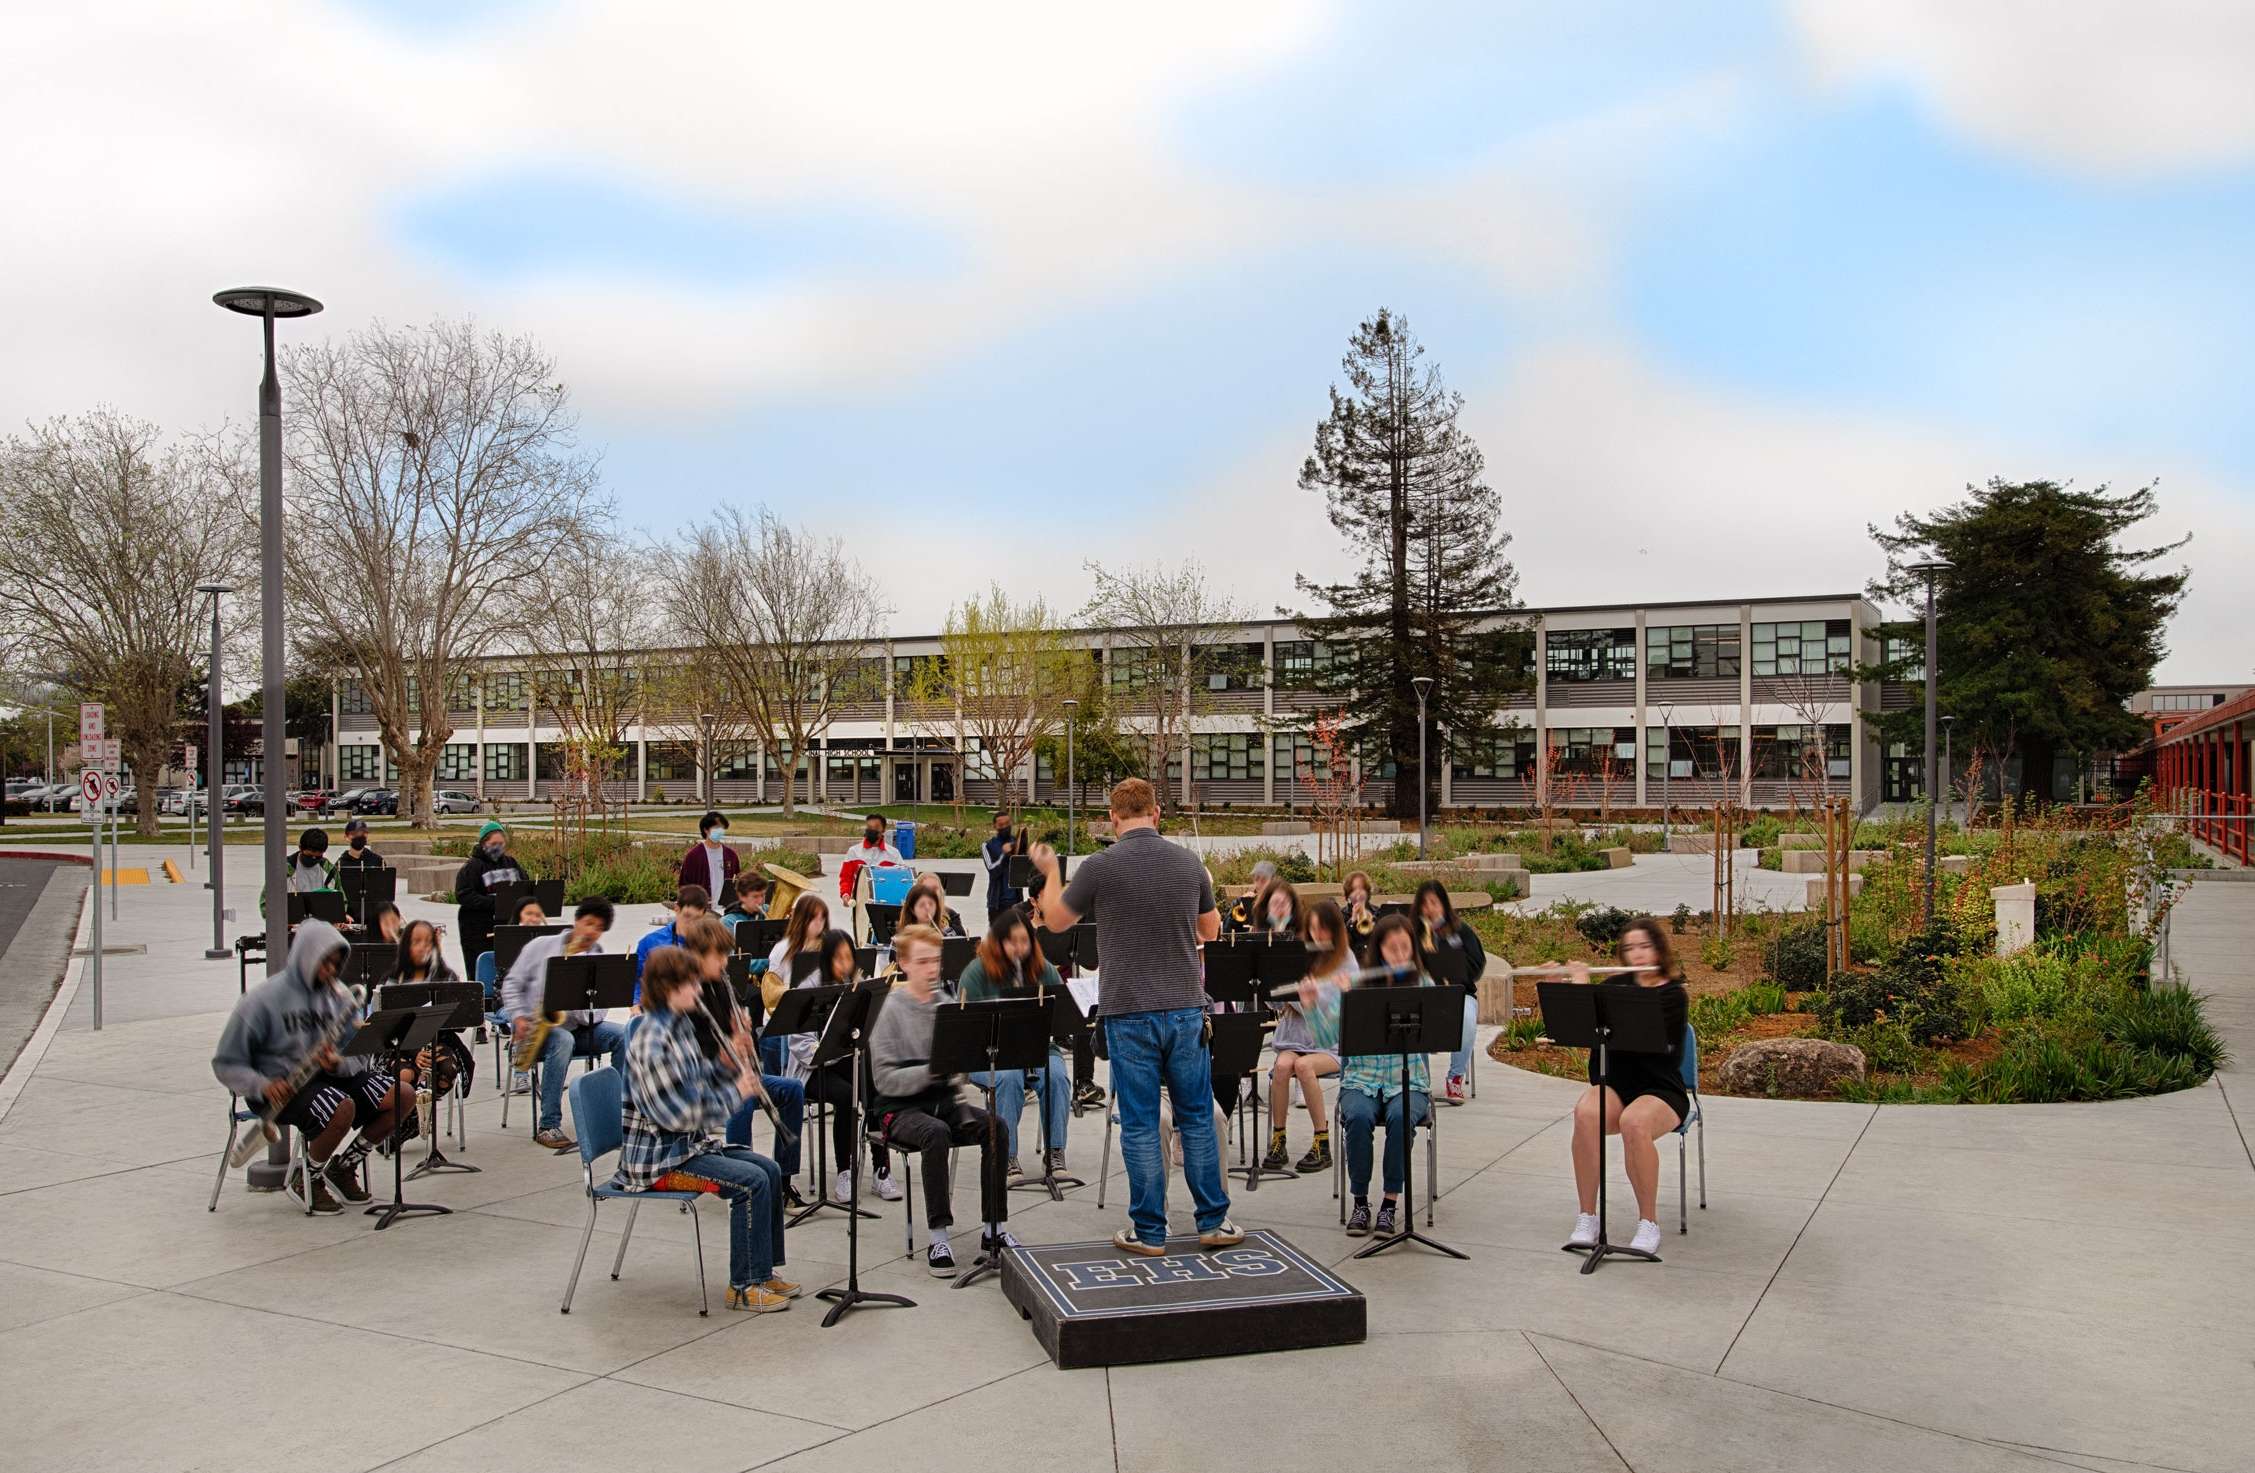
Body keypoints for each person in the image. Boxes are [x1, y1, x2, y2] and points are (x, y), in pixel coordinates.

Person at [1033, 777, 1241, 1258]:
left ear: (1113, 818)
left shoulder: (1100, 867)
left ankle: (1150, 1232)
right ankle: (1212, 1221)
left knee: (1143, 1123)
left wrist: (1048, 870)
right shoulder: (1189, 863)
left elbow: (1056, 922)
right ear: (1157, 813)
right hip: (1187, 1009)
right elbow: (1210, 930)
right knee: (1196, 1116)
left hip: (1129, 1012)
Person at [619, 946, 798, 1312]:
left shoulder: (680, 1024)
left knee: (770, 1169)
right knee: (751, 1182)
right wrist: (735, 1094)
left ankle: (762, 1271)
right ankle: (744, 1286)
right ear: (669, 987)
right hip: (660, 1161)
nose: (699, 991)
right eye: (691, 984)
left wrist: (729, 1065)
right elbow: (677, 1115)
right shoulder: (652, 1040)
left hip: (687, 1147)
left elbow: (699, 1080)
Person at [211, 919, 402, 1214]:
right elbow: (226, 1063)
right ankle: (307, 1180)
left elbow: (362, 1052)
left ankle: (342, 1167)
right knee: (342, 1107)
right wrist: (263, 1084)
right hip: (279, 1089)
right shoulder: (261, 1000)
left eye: (335, 965)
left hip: (330, 1076)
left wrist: (339, 1062)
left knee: (401, 1096)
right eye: (324, 964)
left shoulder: (338, 996)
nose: (329, 972)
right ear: (305, 957)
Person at [868, 925, 1009, 1277]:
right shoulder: (888, 1011)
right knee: (935, 1134)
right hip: (899, 1108)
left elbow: (960, 1065)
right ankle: (938, 1236)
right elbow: (883, 1079)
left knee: (996, 1126)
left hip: (943, 1103)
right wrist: (931, 1071)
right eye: (923, 961)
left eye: (936, 961)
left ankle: (994, 1228)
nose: (932, 969)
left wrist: (966, 1059)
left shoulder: (946, 1004)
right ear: (903, 964)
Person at [1566, 918, 1689, 1260]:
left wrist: (1591, 991)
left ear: (1659, 950)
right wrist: (1579, 988)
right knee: (1586, 1113)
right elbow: (1588, 1035)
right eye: (1630, 948)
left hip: (1661, 1087)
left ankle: (1648, 1222)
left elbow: (1660, 1050)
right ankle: (1587, 1217)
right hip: (1617, 1083)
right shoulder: (1614, 986)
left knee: (1634, 1122)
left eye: (1644, 947)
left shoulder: (1672, 994)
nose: (1637, 954)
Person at [672, 914, 809, 1210]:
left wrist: (746, 1041)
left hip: (731, 1071)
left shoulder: (721, 985)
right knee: (742, 1097)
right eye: (718, 955)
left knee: (792, 1089)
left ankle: (783, 1181)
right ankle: (741, 1180)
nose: (725, 962)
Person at [1309, 914, 1431, 1238]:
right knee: (1359, 1117)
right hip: (1360, 1080)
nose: (1400, 954)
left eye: (1405, 947)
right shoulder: (1358, 985)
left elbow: (1443, 1035)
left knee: (1400, 1115)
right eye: (1393, 948)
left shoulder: (1423, 985)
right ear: (1379, 951)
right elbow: (1325, 1038)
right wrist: (1315, 1005)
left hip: (1408, 1081)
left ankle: (1390, 1204)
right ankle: (1360, 1202)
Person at [503, 897, 625, 1152]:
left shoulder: (597, 957)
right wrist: (519, 1016)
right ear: (577, 921)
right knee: (563, 1040)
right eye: (588, 923)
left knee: (622, 1035)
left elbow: (600, 1009)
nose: (592, 932)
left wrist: (575, 1005)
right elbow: (512, 983)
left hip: (578, 1027)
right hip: (541, 1031)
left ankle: (622, 1113)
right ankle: (548, 1125)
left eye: (599, 928)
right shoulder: (540, 946)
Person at [788, 928, 901, 1204]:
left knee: (875, 1089)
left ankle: (881, 1168)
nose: (845, 964)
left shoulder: (856, 985)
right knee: (846, 1096)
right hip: (812, 1069)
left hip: (845, 1060)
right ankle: (845, 1171)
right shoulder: (809, 988)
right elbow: (798, 1043)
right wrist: (827, 1049)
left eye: (848, 957)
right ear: (826, 960)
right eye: (838, 958)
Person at [957, 907, 1069, 1176]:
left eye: (1025, 941)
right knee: (1006, 1079)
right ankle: (1005, 1155)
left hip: (1037, 1048)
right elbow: (964, 1025)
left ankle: (1055, 1151)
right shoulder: (977, 972)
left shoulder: (1043, 969)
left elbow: (1062, 1014)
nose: (1019, 948)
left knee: (1057, 1076)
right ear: (998, 942)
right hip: (990, 1053)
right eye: (1012, 941)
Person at [1261, 899, 1348, 1174]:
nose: (1316, 935)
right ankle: (1278, 1139)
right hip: (1294, 1040)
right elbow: (1278, 1006)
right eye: (1312, 929)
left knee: (1304, 1066)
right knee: (1282, 1066)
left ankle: (1321, 1142)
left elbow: (1328, 1010)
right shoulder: (1299, 958)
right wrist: (1270, 989)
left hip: (1329, 1044)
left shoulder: (1344, 963)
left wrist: (1300, 998)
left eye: (1322, 929)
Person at [383, 918, 475, 1119]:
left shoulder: (445, 976)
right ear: (406, 946)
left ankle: (416, 1120)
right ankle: (397, 1125)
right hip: (398, 1045)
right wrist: (415, 1052)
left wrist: (457, 998)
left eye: (428, 942)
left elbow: (458, 1026)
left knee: (446, 1069)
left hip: (438, 1041)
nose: (423, 947)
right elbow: (386, 1028)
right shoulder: (392, 980)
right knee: (405, 1075)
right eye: (416, 942)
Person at [1415, 880, 1488, 1105]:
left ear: (1444, 904)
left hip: (1459, 993)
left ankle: (1455, 1077)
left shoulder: (1460, 930)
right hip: (1426, 994)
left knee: (1466, 1019)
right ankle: (1421, 1081)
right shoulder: (1414, 932)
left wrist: (1452, 965)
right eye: (1425, 904)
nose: (1430, 909)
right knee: (1412, 1019)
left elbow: (1478, 962)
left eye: (1434, 903)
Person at [762, 892, 830, 1074]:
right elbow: (772, 987)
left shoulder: (828, 947)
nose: (819, 923)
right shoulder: (782, 949)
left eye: (822, 918)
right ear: (801, 919)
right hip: (785, 1022)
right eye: (813, 918)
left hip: (816, 1018)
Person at [453, 819, 527, 977]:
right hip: (478, 929)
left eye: (501, 843)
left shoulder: (511, 863)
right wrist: (496, 902)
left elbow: (524, 885)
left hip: (506, 924)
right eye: (494, 843)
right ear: (483, 843)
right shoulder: (473, 866)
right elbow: (463, 894)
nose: (498, 847)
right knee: (482, 970)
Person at [635, 885, 712, 997]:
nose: (691, 924)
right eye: (687, 916)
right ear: (676, 909)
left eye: (697, 919)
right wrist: (635, 1004)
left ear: (704, 915)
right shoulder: (650, 941)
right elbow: (636, 979)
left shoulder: (709, 942)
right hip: (658, 1006)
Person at [678, 810, 740, 898]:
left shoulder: (731, 856)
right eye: (717, 827)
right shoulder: (694, 856)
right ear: (706, 830)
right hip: (703, 908)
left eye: (722, 828)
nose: (720, 831)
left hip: (726, 908)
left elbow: (737, 881)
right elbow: (684, 885)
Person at [981, 810, 1020, 917]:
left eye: (1007, 824)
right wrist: (1004, 855)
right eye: (1001, 825)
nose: (1005, 827)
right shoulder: (988, 845)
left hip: (1016, 900)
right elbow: (992, 871)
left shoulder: (1016, 842)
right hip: (997, 902)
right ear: (995, 826)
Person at [898, 877, 964, 938]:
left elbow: (961, 941)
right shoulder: (907, 933)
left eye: (931, 904)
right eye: (922, 905)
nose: (927, 908)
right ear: (912, 909)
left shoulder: (948, 915)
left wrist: (945, 928)